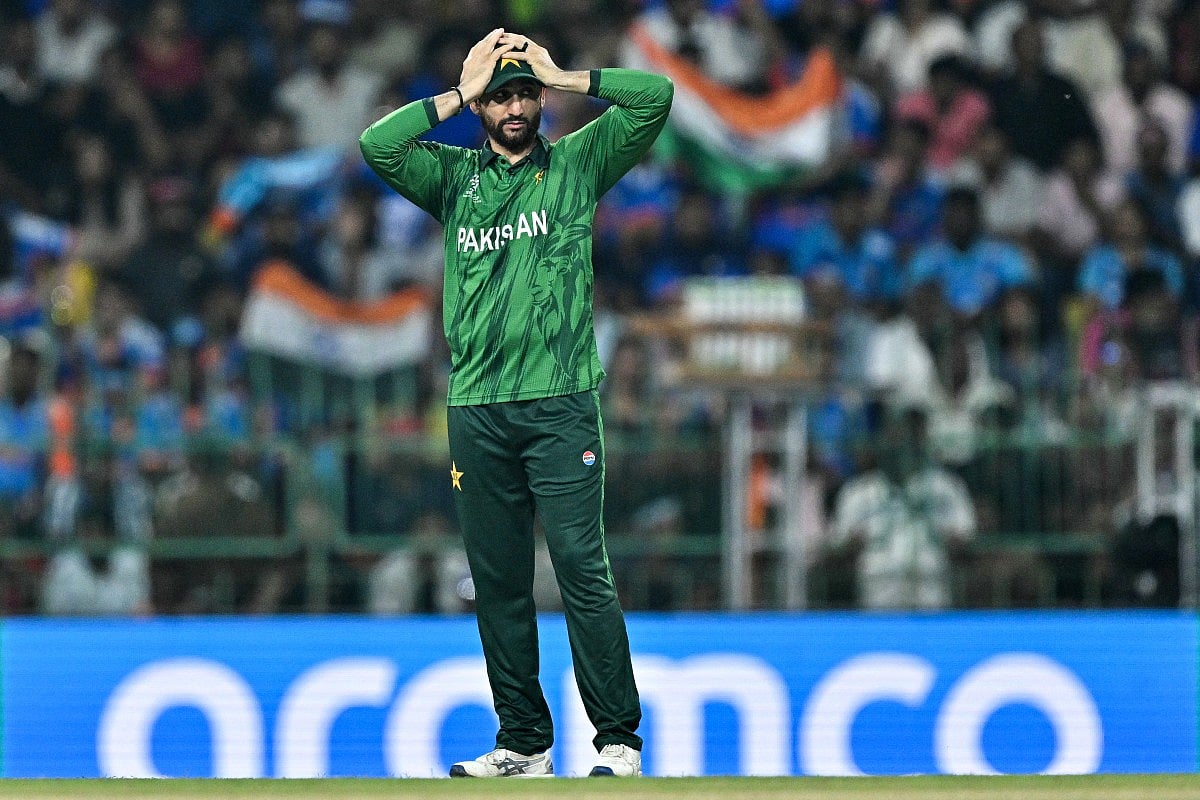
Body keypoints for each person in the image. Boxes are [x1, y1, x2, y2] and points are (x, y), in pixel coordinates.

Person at [359, 28, 672, 778]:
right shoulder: (455, 179)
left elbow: (655, 98)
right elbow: (377, 145)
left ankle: (617, 740)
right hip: (477, 407)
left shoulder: (575, 164)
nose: (515, 106)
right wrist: (456, 93)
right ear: (482, 108)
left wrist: (567, 76)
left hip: (560, 402)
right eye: (500, 96)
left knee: (578, 565)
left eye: (524, 93)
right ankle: (525, 743)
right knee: (496, 580)